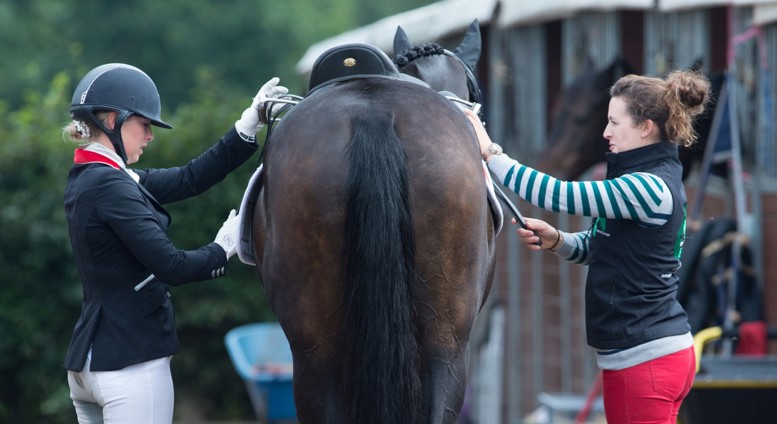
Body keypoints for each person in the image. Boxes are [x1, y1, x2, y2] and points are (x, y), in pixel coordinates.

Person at [465, 69, 711, 423]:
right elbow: (607, 248)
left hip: (646, 360)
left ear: (645, 127)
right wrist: (560, 241)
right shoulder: (648, 178)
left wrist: (488, 149)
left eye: (614, 122)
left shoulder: (647, 187)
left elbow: (556, 194)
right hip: (648, 356)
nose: (605, 132)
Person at [62, 63, 287, 423]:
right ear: (111, 119)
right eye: (144, 124)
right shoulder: (112, 185)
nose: (150, 135)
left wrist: (247, 125)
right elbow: (173, 266)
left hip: (90, 364)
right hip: (130, 365)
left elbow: (189, 178)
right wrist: (222, 247)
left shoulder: (94, 176)